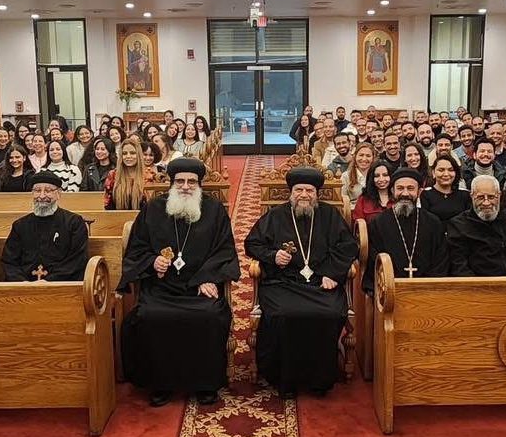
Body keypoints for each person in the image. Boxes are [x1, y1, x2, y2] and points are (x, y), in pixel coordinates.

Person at [120, 158, 240, 406]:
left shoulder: (214, 211)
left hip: (198, 289)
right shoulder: (153, 209)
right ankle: (161, 383)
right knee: (149, 316)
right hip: (161, 288)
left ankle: (205, 383)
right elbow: (136, 250)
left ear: (199, 184)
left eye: (191, 182)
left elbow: (225, 250)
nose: (186, 186)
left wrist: (207, 277)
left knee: (210, 315)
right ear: (172, 183)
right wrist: (153, 262)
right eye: (180, 181)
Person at [245, 167, 358, 397]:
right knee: (283, 315)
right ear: (291, 192)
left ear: (316, 194)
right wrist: (273, 256)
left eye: (309, 190)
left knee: (331, 314)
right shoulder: (276, 216)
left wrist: (332, 273)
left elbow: (348, 246)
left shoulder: (329, 215)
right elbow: (252, 244)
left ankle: (320, 377)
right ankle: (284, 378)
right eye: (299, 190)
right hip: (283, 283)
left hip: (320, 283)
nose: (304, 195)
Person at [362, 168, 449, 292]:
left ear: (419, 192)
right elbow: (375, 261)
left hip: (428, 291)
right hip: (390, 290)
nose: (405, 193)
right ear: (392, 191)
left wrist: (428, 287)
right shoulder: (378, 223)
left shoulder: (433, 222)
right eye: (400, 188)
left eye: (410, 188)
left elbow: (440, 260)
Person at [1, 170, 89, 282]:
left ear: (59, 194)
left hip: (61, 287)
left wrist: (49, 281)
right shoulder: (20, 225)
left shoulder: (74, 222)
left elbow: (77, 260)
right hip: (23, 288)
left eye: (48, 190)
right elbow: (9, 261)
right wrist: (22, 282)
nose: (42, 196)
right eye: (37, 190)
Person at [446, 175, 506, 277]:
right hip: (478, 287)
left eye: (491, 197)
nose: (486, 203)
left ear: (499, 195)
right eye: (480, 197)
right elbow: (459, 266)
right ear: (472, 196)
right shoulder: (458, 225)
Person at [419, 155, 471, 224]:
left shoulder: (465, 195)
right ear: (433, 173)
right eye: (441, 170)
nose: (446, 174)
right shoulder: (425, 195)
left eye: (450, 170)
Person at [104, 138, 149, 210]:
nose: (128, 156)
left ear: (139, 155)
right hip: (118, 218)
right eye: (124, 153)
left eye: (132, 153)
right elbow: (107, 204)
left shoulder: (148, 175)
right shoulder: (113, 175)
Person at [341, 142, 375, 211]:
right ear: (355, 156)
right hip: (353, 212)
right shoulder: (346, 176)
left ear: (373, 158)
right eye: (361, 155)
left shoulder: (377, 175)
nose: (364, 159)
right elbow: (343, 201)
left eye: (368, 156)